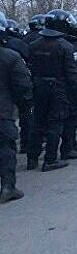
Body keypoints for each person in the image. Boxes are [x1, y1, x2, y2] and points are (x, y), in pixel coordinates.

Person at [28, 10, 77, 171]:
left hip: (38, 87)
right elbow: (72, 74)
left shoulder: (34, 45)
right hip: (58, 89)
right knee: (55, 123)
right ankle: (50, 160)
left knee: (37, 122)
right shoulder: (65, 46)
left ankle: (32, 158)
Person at [0, 13, 32, 203]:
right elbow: (23, 86)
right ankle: (8, 186)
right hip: (3, 112)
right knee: (6, 148)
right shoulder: (11, 56)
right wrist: (25, 106)